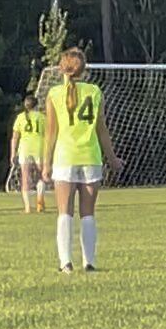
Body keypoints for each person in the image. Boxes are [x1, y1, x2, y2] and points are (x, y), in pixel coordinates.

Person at [43, 48, 122, 274]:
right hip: (90, 157)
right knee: (87, 212)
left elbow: (50, 133)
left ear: (62, 68)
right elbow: (102, 130)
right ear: (84, 70)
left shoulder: (54, 94)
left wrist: (46, 163)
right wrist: (112, 158)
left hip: (64, 158)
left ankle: (65, 263)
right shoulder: (94, 91)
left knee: (64, 212)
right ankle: (89, 262)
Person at [10, 95, 46, 214]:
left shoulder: (20, 118)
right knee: (40, 176)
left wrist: (13, 153)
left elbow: (15, 138)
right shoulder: (42, 117)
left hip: (25, 149)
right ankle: (40, 198)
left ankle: (27, 207)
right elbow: (48, 135)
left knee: (25, 178)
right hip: (38, 148)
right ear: (37, 105)